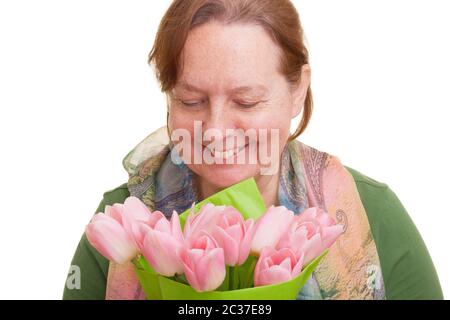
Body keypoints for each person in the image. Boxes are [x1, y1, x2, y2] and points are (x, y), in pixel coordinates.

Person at [63, 0, 443, 300]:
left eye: (245, 102)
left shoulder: (372, 215)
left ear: (298, 90)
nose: (214, 130)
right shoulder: (121, 226)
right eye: (191, 101)